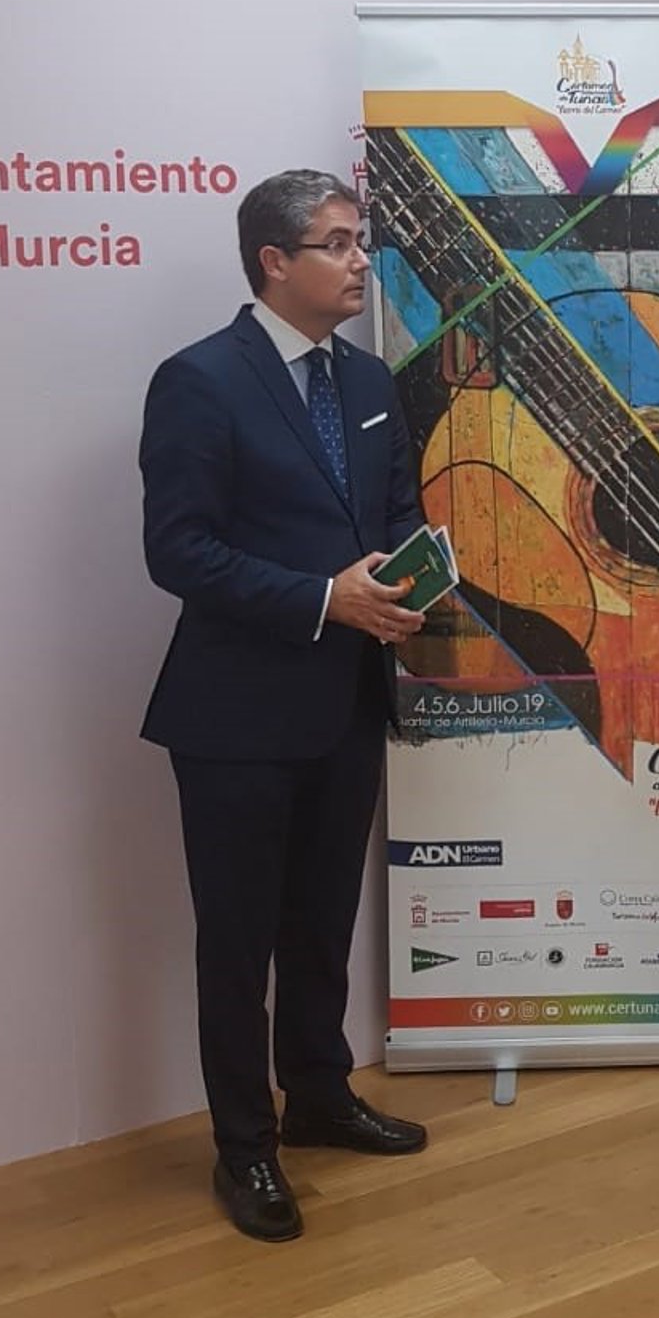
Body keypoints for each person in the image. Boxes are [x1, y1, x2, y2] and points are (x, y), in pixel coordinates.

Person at [141, 169, 435, 1241]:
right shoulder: (199, 380)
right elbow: (178, 550)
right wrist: (324, 598)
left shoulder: (368, 377)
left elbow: (396, 510)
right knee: (238, 941)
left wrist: (401, 585)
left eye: (361, 240)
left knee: (321, 921)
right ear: (274, 261)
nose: (361, 261)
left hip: (348, 697)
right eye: (339, 243)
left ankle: (318, 1095)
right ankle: (245, 1147)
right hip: (235, 716)